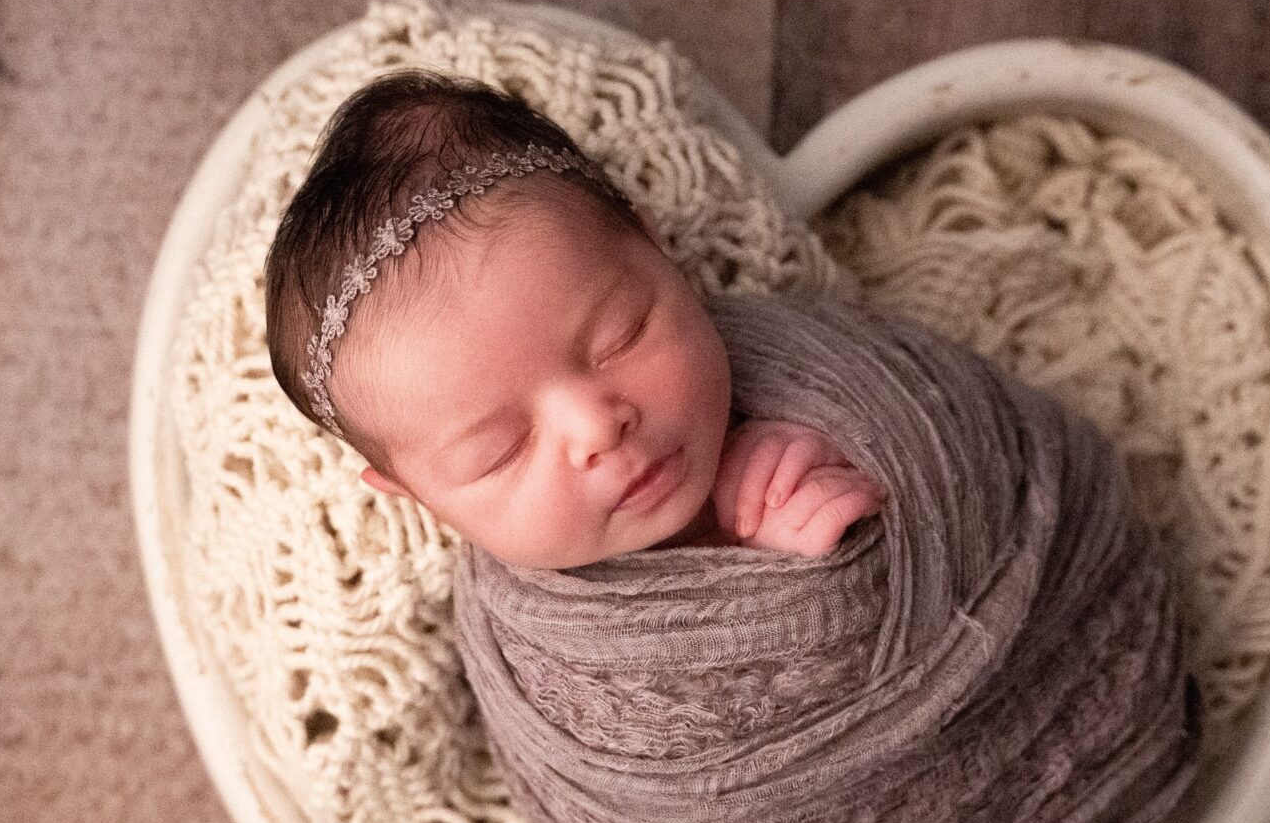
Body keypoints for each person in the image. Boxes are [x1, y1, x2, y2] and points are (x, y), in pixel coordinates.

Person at [263, 67, 887, 571]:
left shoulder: (800, 364)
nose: (595, 430)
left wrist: (853, 452)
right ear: (421, 500)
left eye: (622, 337)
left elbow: (928, 414)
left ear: (654, 247)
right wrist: (764, 575)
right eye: (499, 452)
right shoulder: (528, 649)